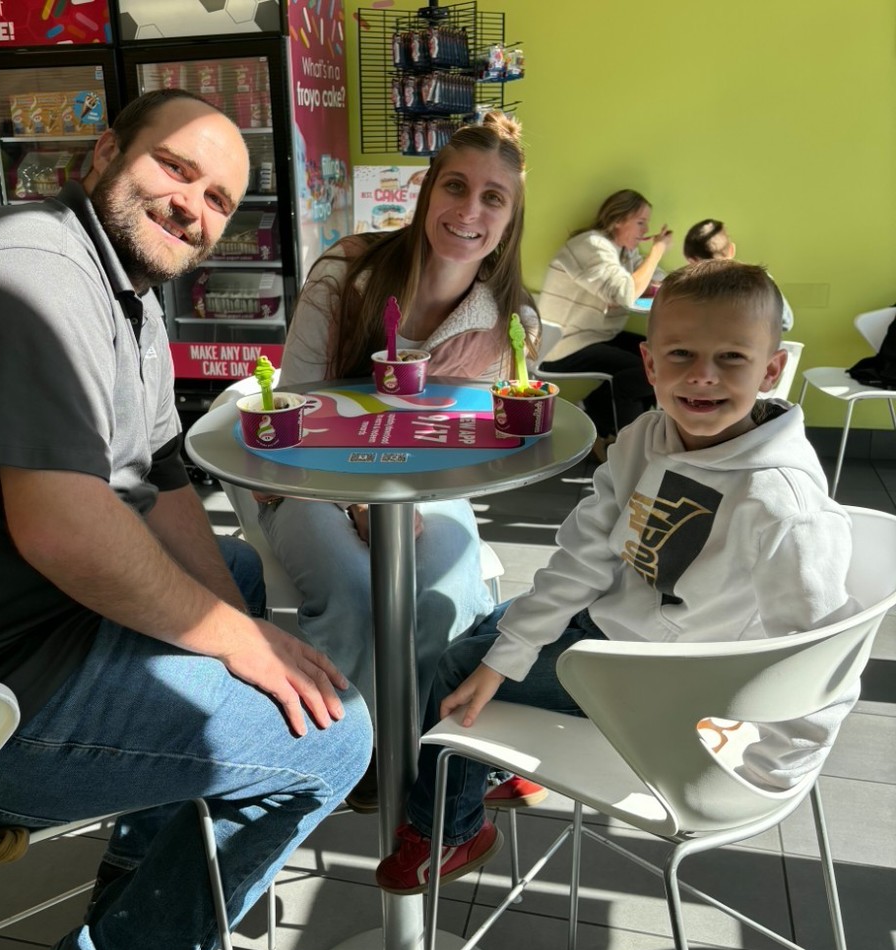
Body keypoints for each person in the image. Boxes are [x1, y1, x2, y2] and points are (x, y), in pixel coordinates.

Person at [0, 89, 372, 950]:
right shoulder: (25, 269)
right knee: (336, 740)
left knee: (246, 586)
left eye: (219, 199)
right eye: (176, 170)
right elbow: (63, 524)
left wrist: (243, 629)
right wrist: (237, 643)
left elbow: (162, 489)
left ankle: (137, 883)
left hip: (25, 638)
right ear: (104, 154)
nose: (194, 206)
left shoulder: (128, 298)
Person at [375, 260, 858, 895]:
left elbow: (821, 651)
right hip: (603, 630)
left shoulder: (779, 503)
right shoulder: (646, 436)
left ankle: (451, 831)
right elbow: (584, 556)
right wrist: (512, 654)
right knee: (481, 646)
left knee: (454, 672)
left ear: (771, 371)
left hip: (654, 682)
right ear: (649, 365)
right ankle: (502, 771)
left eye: (732, 358)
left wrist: (762, 769)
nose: (703, 376)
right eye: (680, 353)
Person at [253, 111, 542, 812]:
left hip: (425, 486)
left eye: (492, 198)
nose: (469, 211)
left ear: (509, 220)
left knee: (442, 590)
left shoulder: (510, 318)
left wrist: (402, 496)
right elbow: (295, 401)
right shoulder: (348, 272)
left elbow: (476, 440)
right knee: (355, 588)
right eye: (455, 187)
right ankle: (351, 753)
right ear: (426, 194)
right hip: (309, 482)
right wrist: (360, 499)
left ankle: (426, 749)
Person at [536, 188, 674, 458]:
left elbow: (653, 280)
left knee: (660, 354)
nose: (646, 230)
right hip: (561, 345)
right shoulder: (592, 245)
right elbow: (624, 293)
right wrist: (657, 251)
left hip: (595, 337)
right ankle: (630, 455)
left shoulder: (622, 252)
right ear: (618, 219)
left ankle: (597, 414)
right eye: (641, 222)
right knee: (642, 371)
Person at [683, 218, 795, 330]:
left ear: (693, 261)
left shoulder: (686, 291)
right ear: (732, 250)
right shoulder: (759, 279)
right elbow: (786, 322)